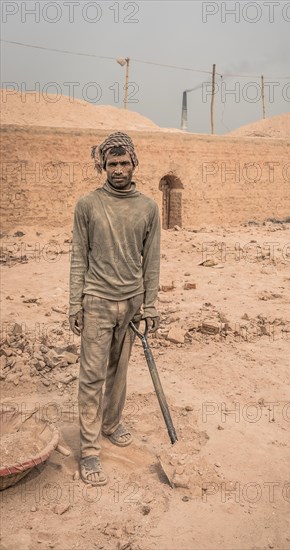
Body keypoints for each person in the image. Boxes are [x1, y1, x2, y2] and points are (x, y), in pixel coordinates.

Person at [69, 132, 160, 486]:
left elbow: (151, 260)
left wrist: (149, 305)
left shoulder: (148, 207)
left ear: (134, 163)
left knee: (119, 371)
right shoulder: (88, 205)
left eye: (124, 163)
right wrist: (74, 303)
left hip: (133, 303)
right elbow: (79, 256)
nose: (118, 169)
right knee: (92, 376)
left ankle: (110, 423)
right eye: (111, 164)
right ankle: (90, 449)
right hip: (97, 301)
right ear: (102, 167)